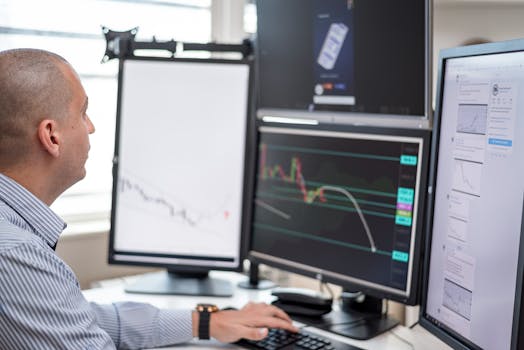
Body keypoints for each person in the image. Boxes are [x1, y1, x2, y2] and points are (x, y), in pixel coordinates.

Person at [0, 48, 298, 349]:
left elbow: (82, 320)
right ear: (52, 136)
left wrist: (206, 322)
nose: (91, 127)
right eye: (82, 112)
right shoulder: (16, 254)